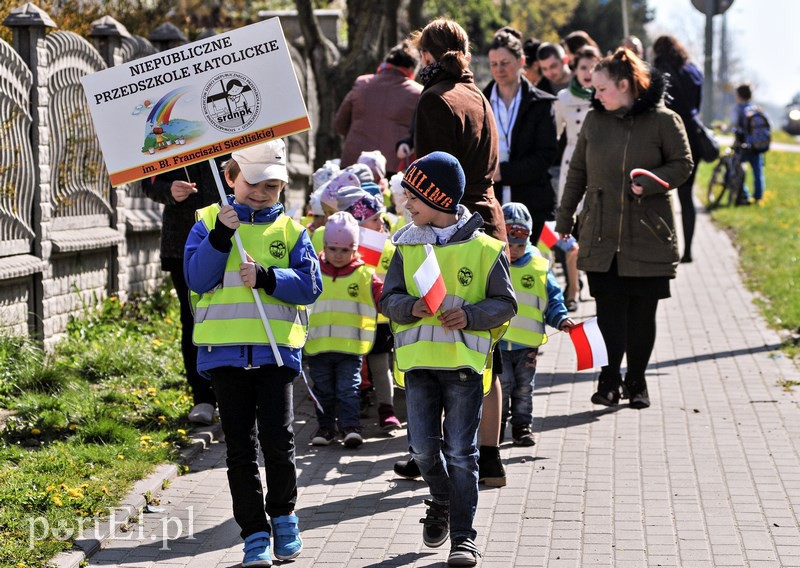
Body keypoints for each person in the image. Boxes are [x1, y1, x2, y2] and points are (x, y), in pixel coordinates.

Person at [184, 139, 322, 566]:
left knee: (279, 442)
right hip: (224, 356)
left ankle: (284, 519)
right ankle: (254, 533)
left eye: (273, 186)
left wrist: (267, 278)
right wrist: (221, 237)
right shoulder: (208, 221)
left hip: (274, 355)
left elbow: (310, 285)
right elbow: (197, 278)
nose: (261, 193)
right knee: (240, 449)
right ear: (229, 178)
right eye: (253, 183)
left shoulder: (292, 231)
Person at [380, 151, 517, 567]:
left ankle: (464, 538)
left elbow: (506, 305)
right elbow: (388, 299)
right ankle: (441, 497)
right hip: (419, 366)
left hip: (463, 369)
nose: (406, 206)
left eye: (413, 199)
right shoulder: (405, 245)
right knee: (422, 450)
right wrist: (411, 307)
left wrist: (471, 316)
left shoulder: (487, 249)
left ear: (438, 199)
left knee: (461, 452)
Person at [555, 48, 693, 410]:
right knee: (608, 311)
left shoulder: (664, 121)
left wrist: (651, 182)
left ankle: (637, 381)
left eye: (601, 89)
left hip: (648, 232)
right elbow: (577, 174)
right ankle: (609, 378)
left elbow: (683, 164)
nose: (594, 95)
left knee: (642, 312)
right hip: (601, 231)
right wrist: (565, 217)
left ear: (624, 85)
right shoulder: (595, 122)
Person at [407, 17, 509, 487]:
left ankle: (437, 453)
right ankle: (488, 458)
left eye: (419, 55)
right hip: (490, 222)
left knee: (442, 351)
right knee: (485, 352)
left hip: (451, 228)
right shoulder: (480, 97)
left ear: (427, 56)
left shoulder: (436, 99)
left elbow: (433, 179)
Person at [142, 158, 228, 425]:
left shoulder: (229, 126)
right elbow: (149, 182)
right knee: (193, 318)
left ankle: (234, 394)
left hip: (233, 239)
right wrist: (169, 190)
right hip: (183, 242)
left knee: (233, 316)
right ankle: (203, 397)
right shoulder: (166, 136)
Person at [305, 211, 383, 448]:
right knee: (324, 391)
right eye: (333, 249)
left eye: (345, 250)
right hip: (318, 347)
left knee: (348, 390)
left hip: (350, 348)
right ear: (325, 247)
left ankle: (350, 427)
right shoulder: (311, 272)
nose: (338, 255)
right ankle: (326, 428)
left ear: (355, 249)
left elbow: (384, 297)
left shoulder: (365, 275)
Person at [499, 202, 573, 446]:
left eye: (520, 245)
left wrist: (560, 318)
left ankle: (522, 426)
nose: (515, 250)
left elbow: (552, 298)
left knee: (523, 388)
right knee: (501, 386)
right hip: (497, 344)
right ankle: (495, 427)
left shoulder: (539, 265)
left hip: (527, 344)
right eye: (510, 245)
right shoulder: (492, 263)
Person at [483, 26, 558, 241]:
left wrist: (504, 172)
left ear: (521, 62)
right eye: (494, 64)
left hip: (533, 204)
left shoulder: (541, 103)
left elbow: (545, 155)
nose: (499, 69)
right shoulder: (480, 101)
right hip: (491, 204)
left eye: (505, 63)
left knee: (532, 270)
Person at [337, 188, 402, 432]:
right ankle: (353, 410)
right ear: (361, 223)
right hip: (355, 318)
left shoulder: (390, 247)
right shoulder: (349, 250)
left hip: (382, 321)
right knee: (353, 367)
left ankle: (387, 410)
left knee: (380, 365)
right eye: (375, 218)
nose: (381, 222)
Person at [553, 46, 601, 310]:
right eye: (583, 67)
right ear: (574, 68)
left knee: (593, 230)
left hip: (598, 166)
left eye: (593, 67)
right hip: (572, 166)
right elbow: (556, 134)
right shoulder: (562, 98)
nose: (588, 73)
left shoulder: (605, 97)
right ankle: (572, 289)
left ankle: (594, 286)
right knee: (569, 232)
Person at [335, 40, 422, 175]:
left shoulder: (361, 83)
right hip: (392, 169)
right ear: (412, 69)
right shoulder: (418, 93)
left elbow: (340, 123)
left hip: (354, 165)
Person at [653, 35, 704, 263]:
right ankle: (689, 250)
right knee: (687, 196)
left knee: (659, 194)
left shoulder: (659, 71)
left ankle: (663, 248)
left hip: (665, 135)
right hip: (692, 135)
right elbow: (697, 105)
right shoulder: (692, 71)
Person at [732, 83, 767, 204]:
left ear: (739, 95)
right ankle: (758, 198)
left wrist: (725, 129)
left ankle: (744, 195)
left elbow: (734, 124)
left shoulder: (738, 108)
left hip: (743, 145)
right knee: (758, 173)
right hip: (757, 145)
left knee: (735, 168)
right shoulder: (756, 109)